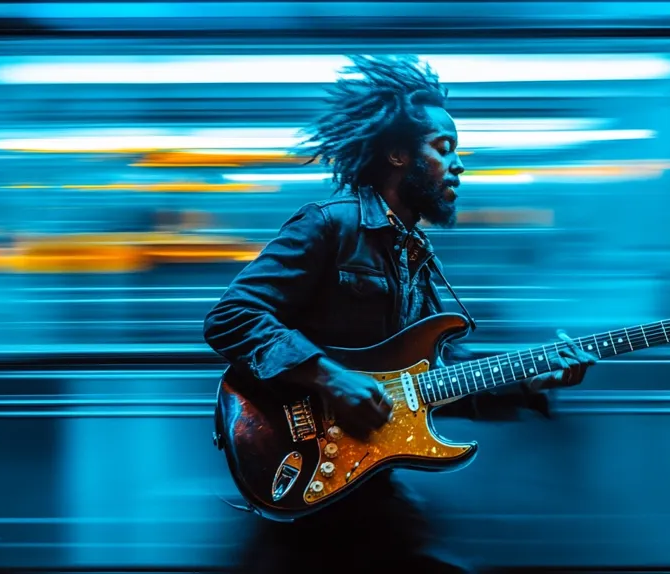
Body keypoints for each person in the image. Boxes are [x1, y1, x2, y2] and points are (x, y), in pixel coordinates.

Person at [203, 54, 599, 574]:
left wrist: (531, 380)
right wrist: (330, 378)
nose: (459, 164)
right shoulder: (330, 227)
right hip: (306, 470)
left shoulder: (414, 256)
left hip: (365, 483)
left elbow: (434, 380)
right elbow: (231, 316)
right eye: (443, 148)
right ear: (396, 155)